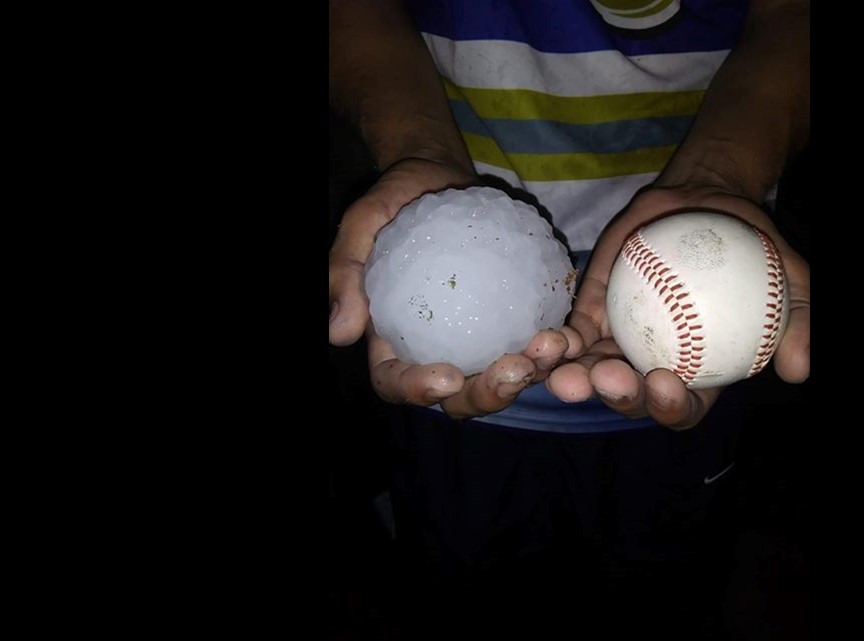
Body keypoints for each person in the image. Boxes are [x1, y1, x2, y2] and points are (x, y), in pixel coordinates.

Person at [328, 0, 810, 635]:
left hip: (682, 397)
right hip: (458, 398)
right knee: (466, 596)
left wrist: (724, 171)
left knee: (658, 594)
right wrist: (418, 148)